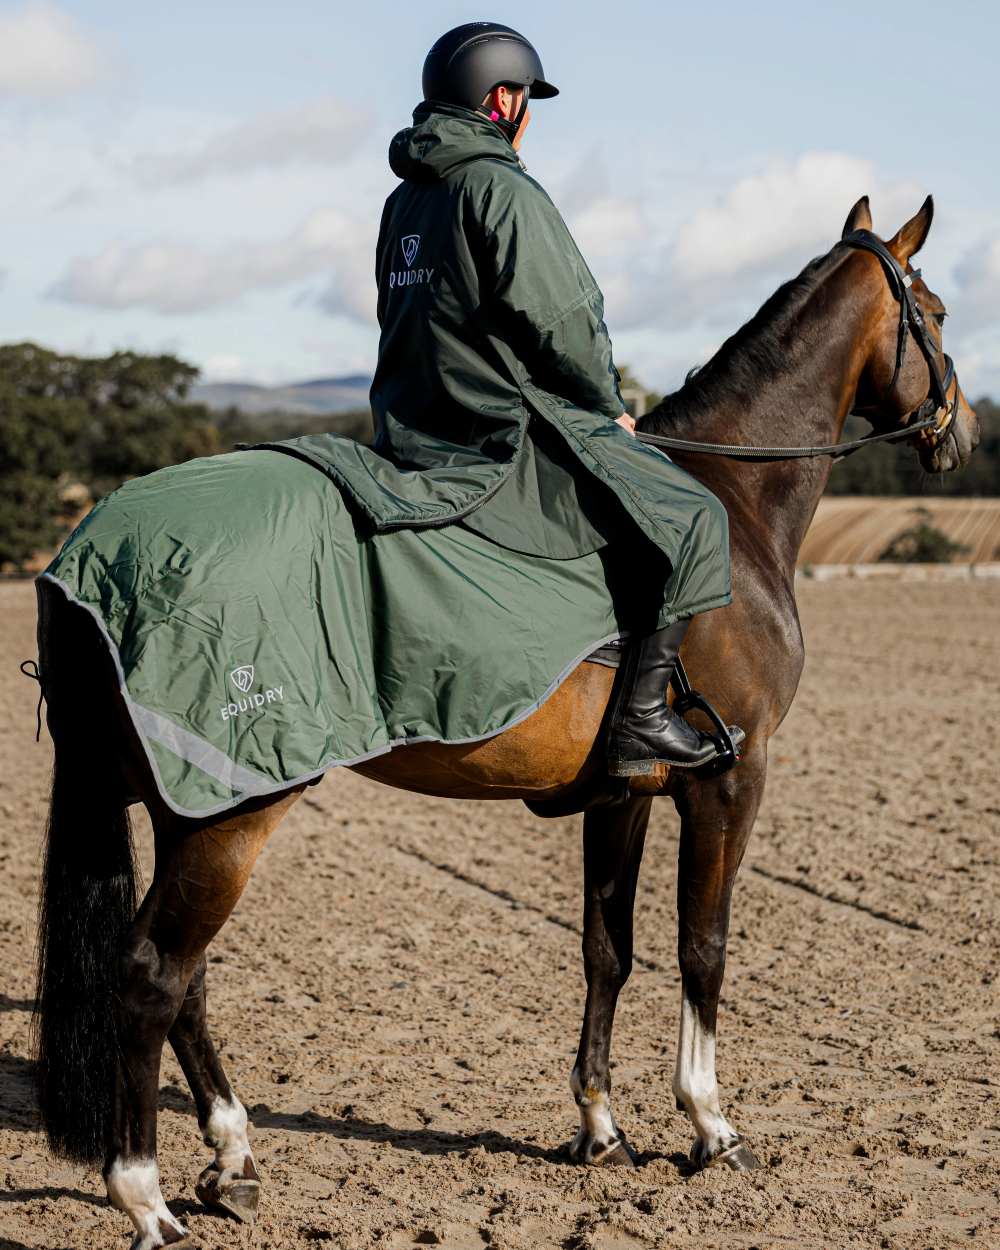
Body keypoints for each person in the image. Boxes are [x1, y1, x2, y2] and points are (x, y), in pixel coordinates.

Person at [370, 21, 741, 775]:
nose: (528, 112)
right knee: (699, 517)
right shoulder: (500, 188)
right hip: (504, 430)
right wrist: (605, 405)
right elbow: (563, 319)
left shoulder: (404, 204)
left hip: (412, 430)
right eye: (527, 96)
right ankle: (639, 718)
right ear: (501, 99)